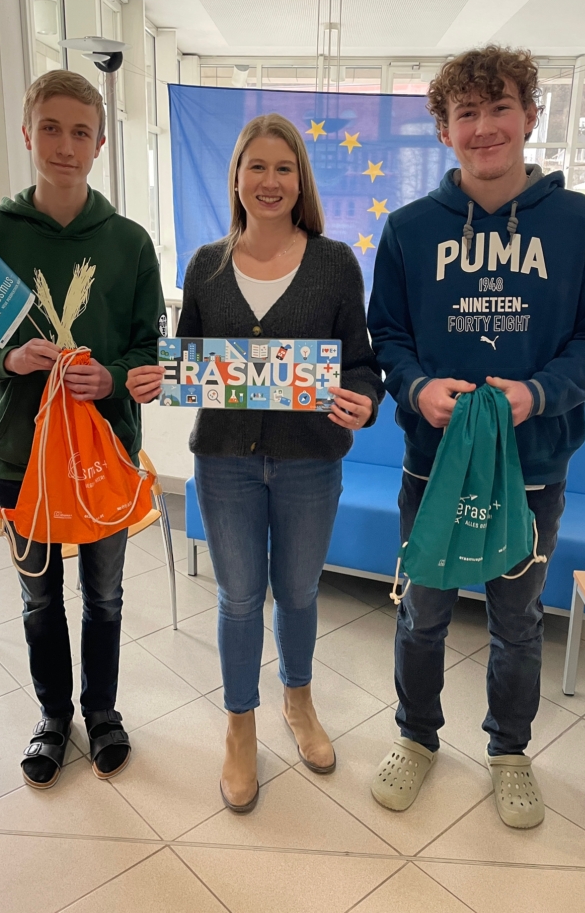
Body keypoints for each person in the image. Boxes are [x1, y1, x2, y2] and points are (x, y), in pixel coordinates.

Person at [367, 46, 585, 828]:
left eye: (499, 108)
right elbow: (387, 336)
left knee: (516, 623)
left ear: (530, 116)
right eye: (466, 113)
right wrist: (416, 387)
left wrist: (537, 393)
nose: (484, 127)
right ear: (443, 130)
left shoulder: (584, 224)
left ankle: (509, 752)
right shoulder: (408, 230)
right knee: (421, 614)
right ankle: (415, 737)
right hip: (432, 466)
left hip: (534, 468)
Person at [127, 113, 385, 813]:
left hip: (310, 464)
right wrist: (157, 377)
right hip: (225, 464)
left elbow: (361, 365)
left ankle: (298, 702)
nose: (270, 181)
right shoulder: (206, 265)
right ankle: (239, 727)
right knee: (239, 598)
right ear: (236, 176)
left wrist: (362, 400)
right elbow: (189, 363)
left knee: (298, 592)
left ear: (300, 180)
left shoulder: (334, 263)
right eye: (257, 167)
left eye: (284, 168)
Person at [0, 70, 165, 789]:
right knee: (39, 597)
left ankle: (101, 713)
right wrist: (8, 358)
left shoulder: (129, 243)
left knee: (104, 597)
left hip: (103, 457)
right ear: (27, 133)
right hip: (22, 459)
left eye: (80, 132)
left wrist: (111, 377)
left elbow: (150, 350)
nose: (65, 146)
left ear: (100, 144)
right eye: (50, 128)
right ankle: (52, 716)